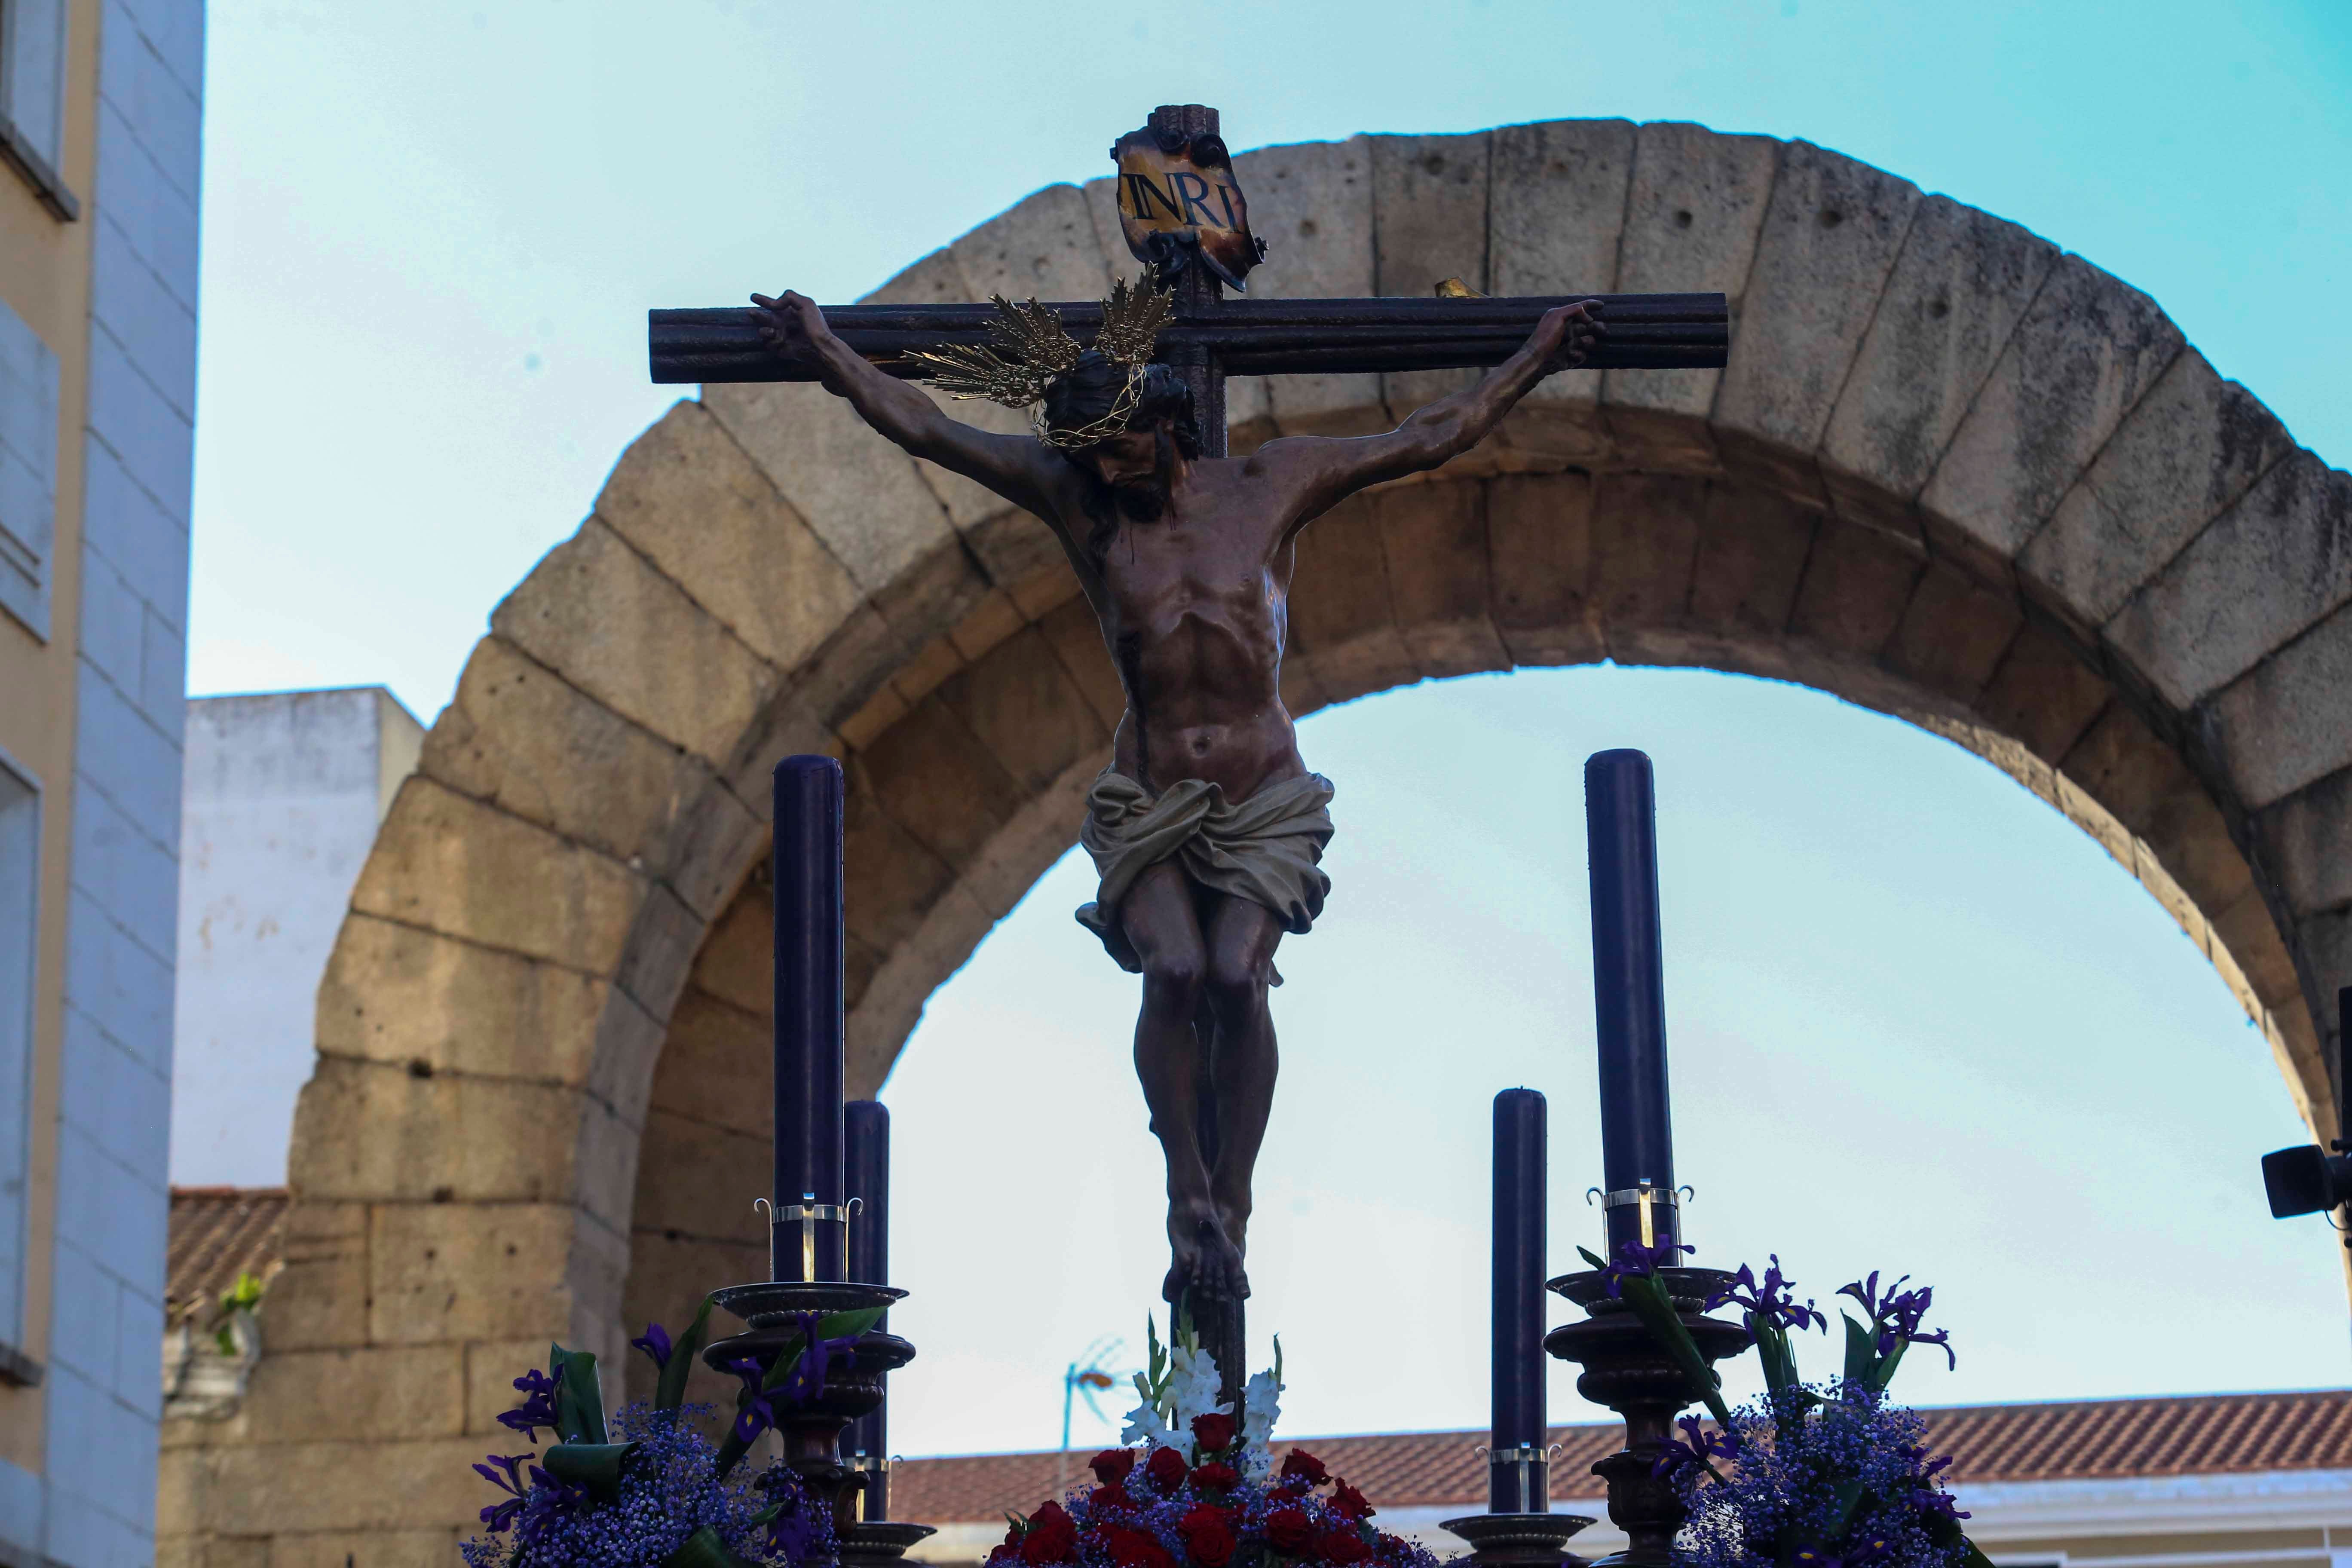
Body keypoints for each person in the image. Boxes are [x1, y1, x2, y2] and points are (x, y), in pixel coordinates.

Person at [749, 277, 1603, 1305]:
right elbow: (928, 430)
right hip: (1148, 792)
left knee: (1237, 976)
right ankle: (1182, 1192)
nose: (1107, 470)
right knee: (1177, 969)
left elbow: (1428, 435)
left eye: (1121, 447)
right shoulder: (1083, 505)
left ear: (1169, 426)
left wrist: (1538, 357)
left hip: (1262, 793)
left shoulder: (1271, 487)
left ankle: (1228, 1201)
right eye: (1091, 454)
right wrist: (826, 348)